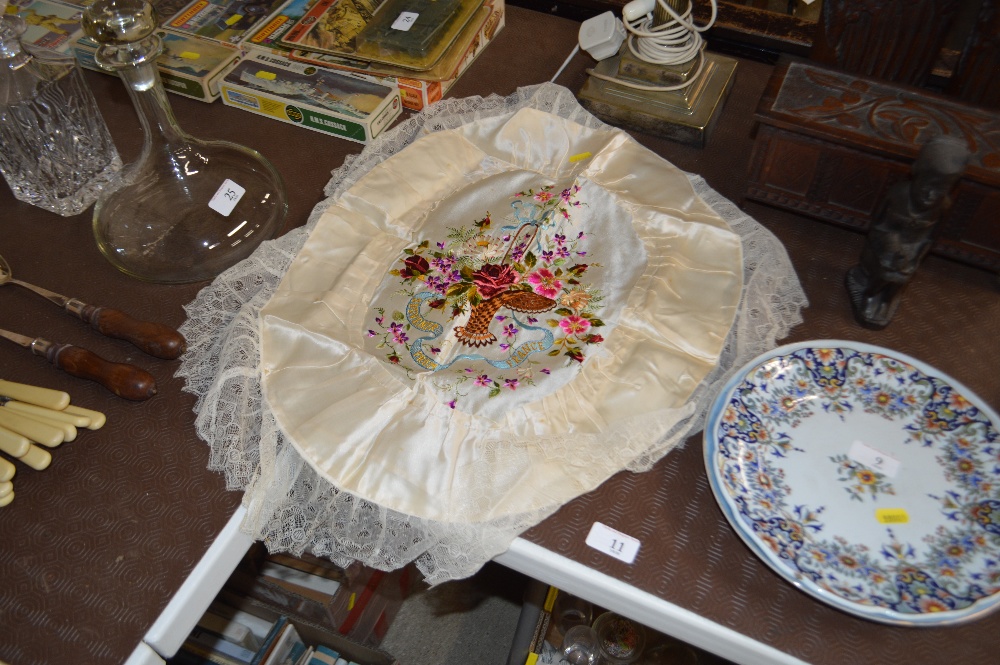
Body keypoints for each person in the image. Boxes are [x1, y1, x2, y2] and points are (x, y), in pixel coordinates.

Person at [845, 135, 970, 329]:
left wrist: (916, 255)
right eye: (927, 186)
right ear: (916, 176)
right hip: (886, 242)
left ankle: (886, 300)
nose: (931, 195)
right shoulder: (899, 194)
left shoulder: (943, 206)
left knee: (903, 275)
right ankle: (870, 295)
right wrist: (892, 246)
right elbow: (879, 224)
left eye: (940, 190)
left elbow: (931, 237)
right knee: (885, 271)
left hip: (913, 247)